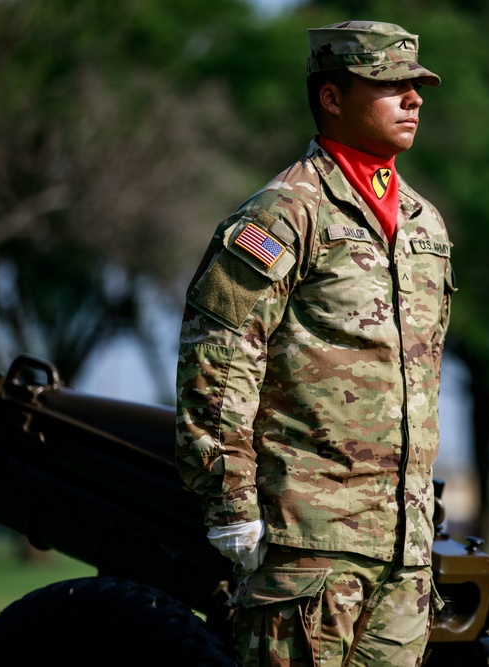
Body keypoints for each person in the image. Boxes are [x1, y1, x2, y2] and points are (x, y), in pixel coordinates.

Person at [175, 21, 453, 667]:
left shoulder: (425, 222)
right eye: (391, 85)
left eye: (417, 86)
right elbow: (220, 354)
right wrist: (230, 497)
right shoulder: (282, 213)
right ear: (332, 97)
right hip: (307, 544)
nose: (413, 99)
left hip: (404, 550)